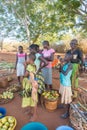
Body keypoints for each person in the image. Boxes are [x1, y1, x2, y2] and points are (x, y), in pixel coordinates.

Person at [22, 53, 38, 121]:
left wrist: (25, 66)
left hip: (31, 85)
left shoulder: (29, 67)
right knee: (30, 98)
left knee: (33, 99)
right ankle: (30, 110)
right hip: (32, 84)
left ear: (30, 59)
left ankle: (34, 115)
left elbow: (25, 75)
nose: (26, 60)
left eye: (27, 58)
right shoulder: (34, 65)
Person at [59, 54, 72, 119]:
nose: (64, 57)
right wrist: (61, 64)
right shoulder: (65, 63)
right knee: (62, 94)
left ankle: (67, 113)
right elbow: (60, 70)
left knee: (67, 99)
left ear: (70, 58)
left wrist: (61, 64)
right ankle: (62, 104)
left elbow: (65, 73)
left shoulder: (70, 65)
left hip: (66, 84)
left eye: (66, 56)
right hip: (62, 82)